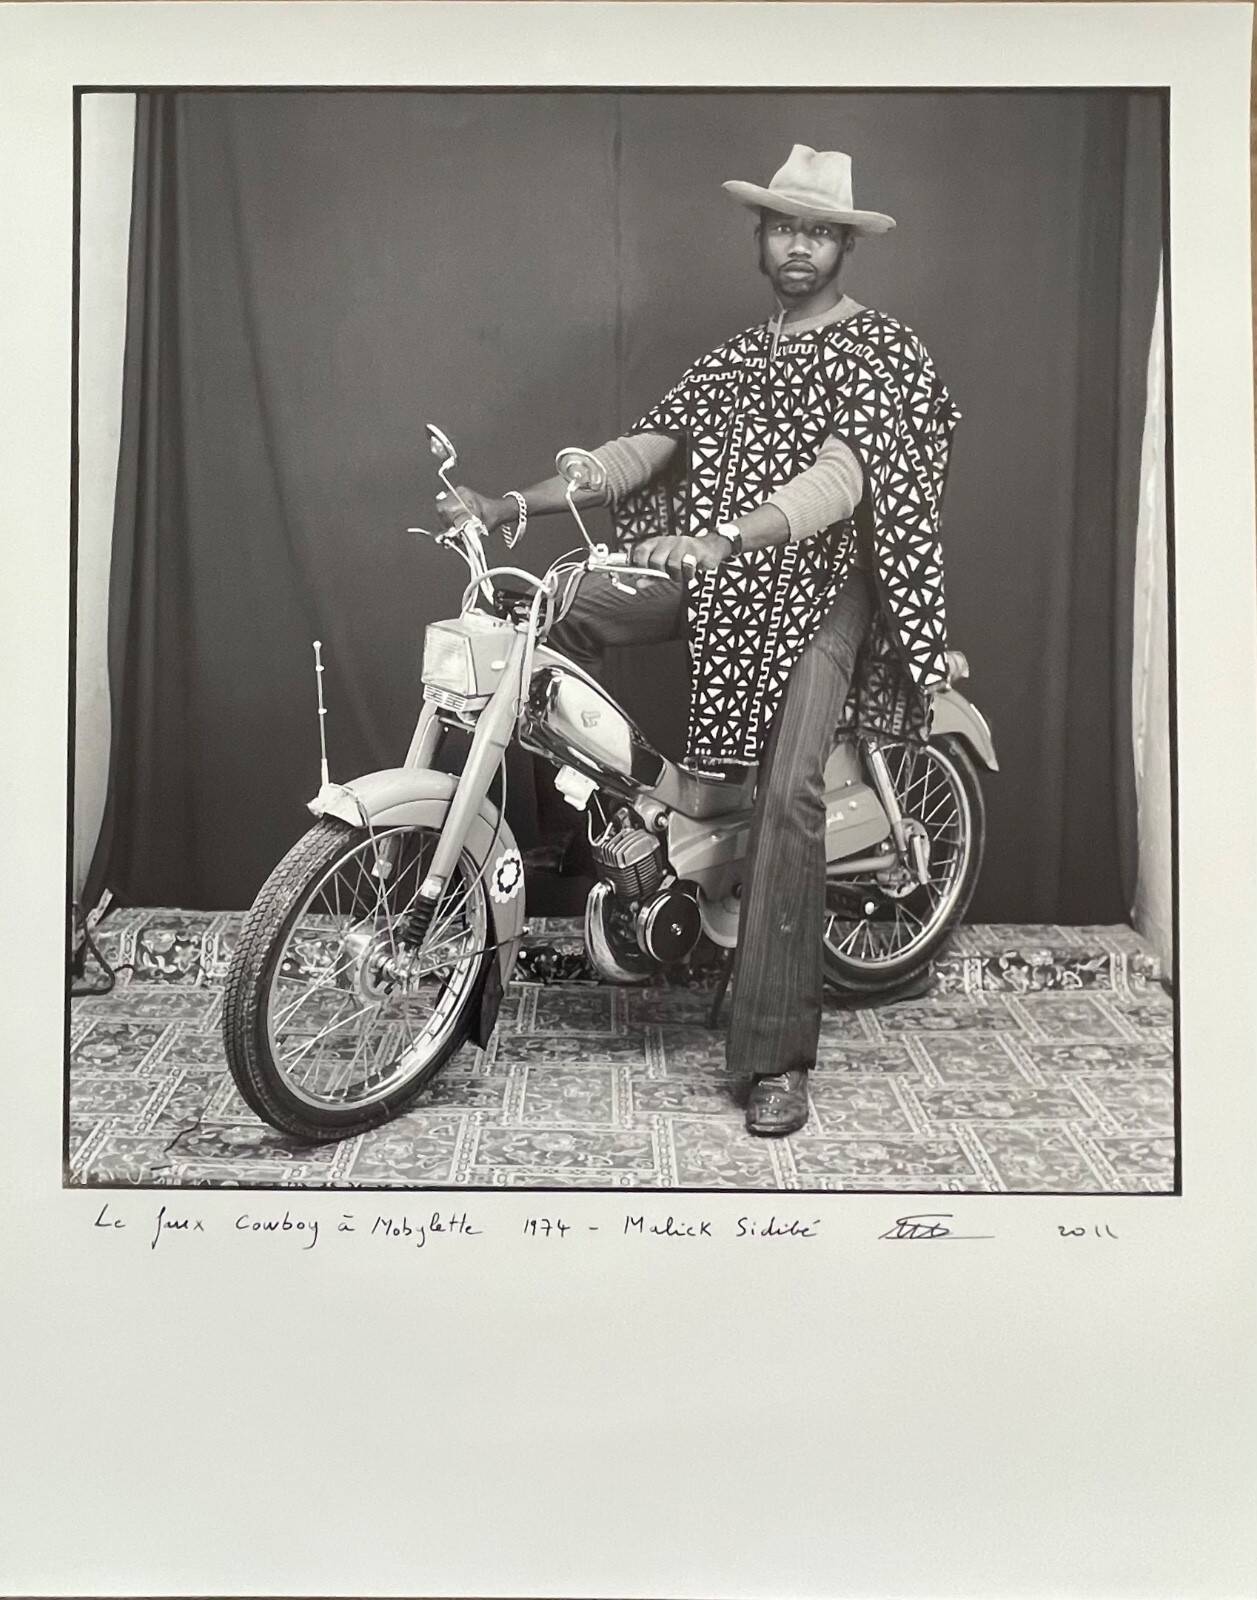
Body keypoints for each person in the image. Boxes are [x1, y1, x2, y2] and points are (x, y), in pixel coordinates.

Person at [436, 144, 960, 1137]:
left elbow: (842, 481)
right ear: (760, 237)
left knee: (790, 794)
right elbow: (640, 453)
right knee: (554, 615)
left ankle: (773, 1057)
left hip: (825, 585)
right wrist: (509, 501)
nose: (799, 244)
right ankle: (596, 838)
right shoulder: (730, 360)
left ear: (844, 244)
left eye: (819, 230)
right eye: (784, 226)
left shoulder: (885, 352)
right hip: (721, 575)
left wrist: (730, 533)